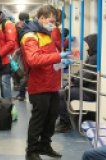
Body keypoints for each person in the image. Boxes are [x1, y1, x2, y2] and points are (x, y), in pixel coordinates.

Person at [19, 5, 72, 160]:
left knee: (51, 117)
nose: (53, 25)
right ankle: (32, 151)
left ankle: (45, 145)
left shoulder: (45, 33)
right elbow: (33, 60)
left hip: (51, 83)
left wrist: (62, 61)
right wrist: (58, 57)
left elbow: (50, 58)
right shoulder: (30, 36)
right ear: (41, 17)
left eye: (55, 22)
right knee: (38, 119)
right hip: (39, 84)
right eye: (51, 21)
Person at [55, 34, 98, 133]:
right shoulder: (91, 56)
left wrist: (74, 80)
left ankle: (65, 123)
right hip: (85, 87)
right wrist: (74, 78)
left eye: (87, 45)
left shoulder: (94, 59)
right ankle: (62, 118)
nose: (86, 47)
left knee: (60, 94)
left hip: (89, 91)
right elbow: (82, 72)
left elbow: (86, 76)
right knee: (62, 90)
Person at [13, 12, 30, 101]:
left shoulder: (17, 27)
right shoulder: (29, 27)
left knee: (21, 72)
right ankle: (22, 93)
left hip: (20, 52)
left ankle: (21, 93)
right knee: (25, 73)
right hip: (24, 52)